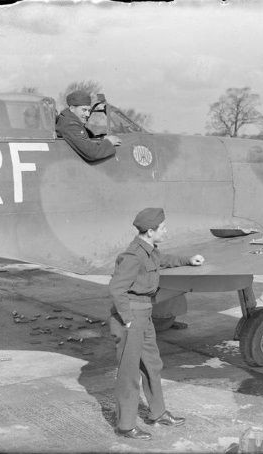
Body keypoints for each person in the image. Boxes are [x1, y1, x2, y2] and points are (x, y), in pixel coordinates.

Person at [108, 207, 205, 440]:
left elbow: (163, 260)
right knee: (129, 373)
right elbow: (116, 288)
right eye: (163, 228)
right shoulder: (133, 256)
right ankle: (125, 426)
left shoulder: (150, 251)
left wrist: (187, 260)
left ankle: (157, 412)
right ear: (150, 231)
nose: (166, 230)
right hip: (131, 317)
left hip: (145, 313)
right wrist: (129, 321)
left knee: (153, 364)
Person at [55, 90, 122, 162]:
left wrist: (101, 139)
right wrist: (109, 142)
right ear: (72, 109)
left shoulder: (69, 121)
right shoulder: (70, 125)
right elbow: (91, 152)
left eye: (88, 110)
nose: (87, 114)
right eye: (84, 110)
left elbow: (82, 141)